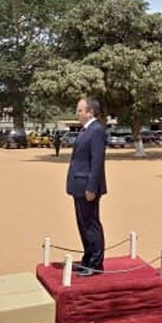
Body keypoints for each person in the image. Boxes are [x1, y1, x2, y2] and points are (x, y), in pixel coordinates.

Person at [65, 96, 107, 277]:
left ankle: (96, 264)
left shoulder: (96, 130)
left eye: (80, 110)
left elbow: (97, 161)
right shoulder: (85, 130)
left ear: (90, 112)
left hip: (88, 186)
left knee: (91, 225)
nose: (77, 113)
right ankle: (88, 258)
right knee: (83, 224)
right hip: (78, 184)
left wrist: (92, 187)